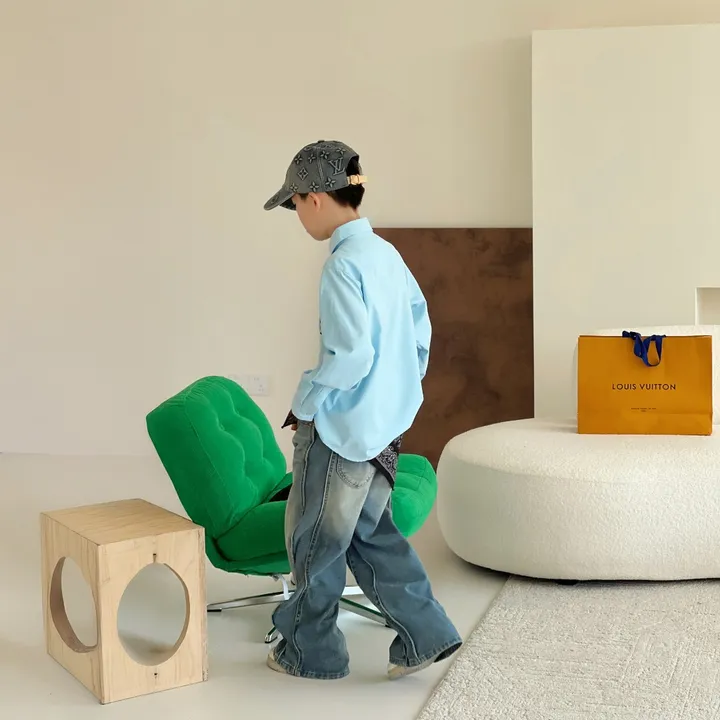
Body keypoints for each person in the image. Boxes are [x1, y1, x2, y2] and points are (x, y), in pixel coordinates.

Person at [263, 140, 461, 681]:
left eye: (295, 204)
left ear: (315, 199)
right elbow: (419, 330)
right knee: (370, 534)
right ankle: (427, 633)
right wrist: (397, 387)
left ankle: (311, 653)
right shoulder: (386, 254)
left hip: (342, 430)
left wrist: (306, 402)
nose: (298, 216)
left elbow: (349, 357)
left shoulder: (342, 265)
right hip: (385, 427)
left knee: (316, 542)